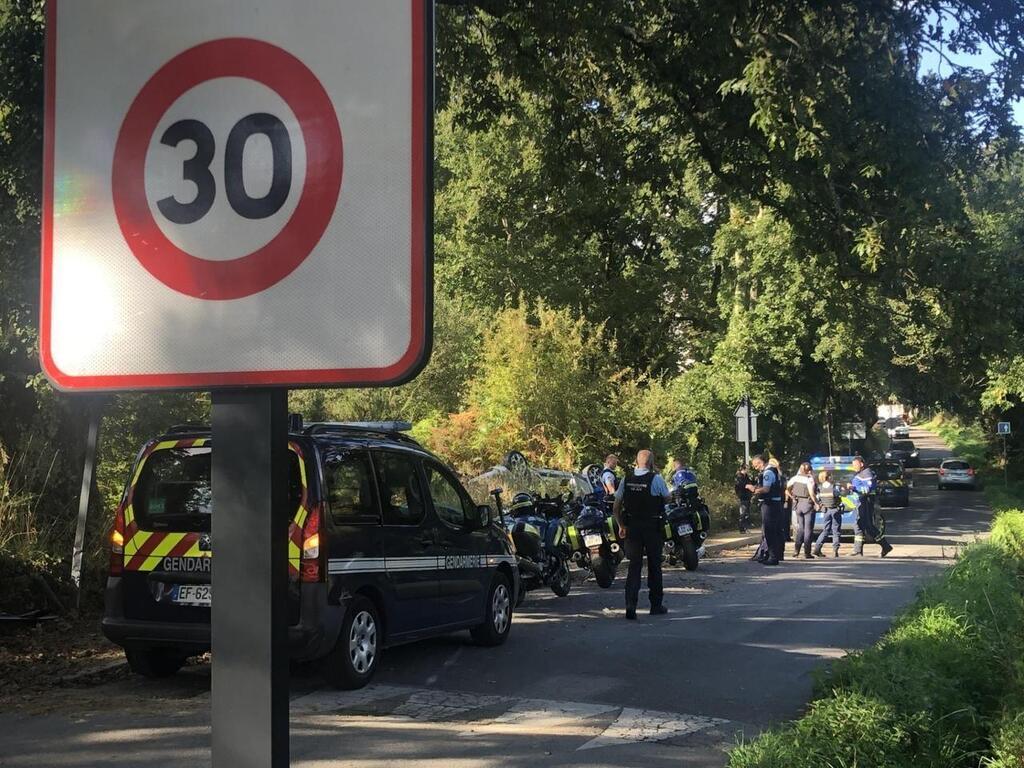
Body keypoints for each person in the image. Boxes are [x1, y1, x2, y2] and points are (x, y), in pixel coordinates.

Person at [613, 449, 671, 619]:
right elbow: (667, 498)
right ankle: (656, 605)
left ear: (636, 462)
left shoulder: (626, 479)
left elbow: (616, 506)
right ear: (651, 463)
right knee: (654, 566)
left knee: (634, 567)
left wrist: (621, 525)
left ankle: (630, 605)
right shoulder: (656, 479)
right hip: (652, 527)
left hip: (632, 528)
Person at [848, 455, 894, 557]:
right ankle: (858, 550)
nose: (854, 467)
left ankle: (885, 546)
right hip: (860, 503)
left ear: (862, 464)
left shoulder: (867, 474)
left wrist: (853, 487)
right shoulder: (860, 474)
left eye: (855, 465)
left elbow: (866, 490)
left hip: (866, 502)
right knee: (859, 525)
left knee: (869, 527)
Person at [746, 454, 783, 565]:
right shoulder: (773, 471)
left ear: (760, 462)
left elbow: (766, 489)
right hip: (775, 503)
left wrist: (753, 489)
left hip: (769, 504)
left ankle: (773, 557)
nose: (755, 468)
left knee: (769, 531)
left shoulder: (767, 473)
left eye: (755, 465)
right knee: (774, 530)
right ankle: (773, 555)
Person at [786, 462, 818, 559]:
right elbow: (811, 493)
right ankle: (807, 552)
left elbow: (786, 490)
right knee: (808, 529)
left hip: (798, 505)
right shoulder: (809, 479)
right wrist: (816, 503)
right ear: (809, 470)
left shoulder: (794, 478)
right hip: (807, 505)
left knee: (801, 528)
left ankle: (796, 550)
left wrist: (792, 497)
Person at [813, 470, 842, 557]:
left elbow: (818, 499)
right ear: (828, 477)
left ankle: (817, 548)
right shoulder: (834, 487)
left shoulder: (820, 488)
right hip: (835, 510)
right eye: (831, 476)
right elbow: (839, 495)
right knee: (836, 531)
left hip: (825, 511)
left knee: (825, 530)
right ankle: (835, 551)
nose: (832, 477)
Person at [769, 457, 789, 559]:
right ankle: (780, 553)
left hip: (773, 503)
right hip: (780, 503)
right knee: (779, 529)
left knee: (772, 529)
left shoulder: (771, 475)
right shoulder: (782, 476)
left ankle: (772, 554)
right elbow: (785, 490)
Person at [734, 464, 753, 533]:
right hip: (743, 496)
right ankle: (741, 528)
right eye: (747, 469)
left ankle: (746, 527)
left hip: (747, 495)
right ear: (744, 469)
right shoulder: (739, 476)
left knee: (747, 512)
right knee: (743, 512)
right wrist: (747, 486)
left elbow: (750, 482)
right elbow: (740, 485)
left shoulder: (746, 476)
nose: (748, 470)